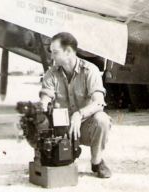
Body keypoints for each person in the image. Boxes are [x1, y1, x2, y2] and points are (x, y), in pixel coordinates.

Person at [39, 32, 112, 178]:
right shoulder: (51, 74)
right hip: (61, 129)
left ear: (68, 52)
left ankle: (96, 162)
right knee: (38, 121)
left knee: (102, 119)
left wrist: (79, 114)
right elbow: (46, 96)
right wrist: (43, 105)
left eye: (55, 52)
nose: (51, 57)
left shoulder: (90, 71)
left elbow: (99, 102)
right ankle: (47, 157)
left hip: (84, 128)